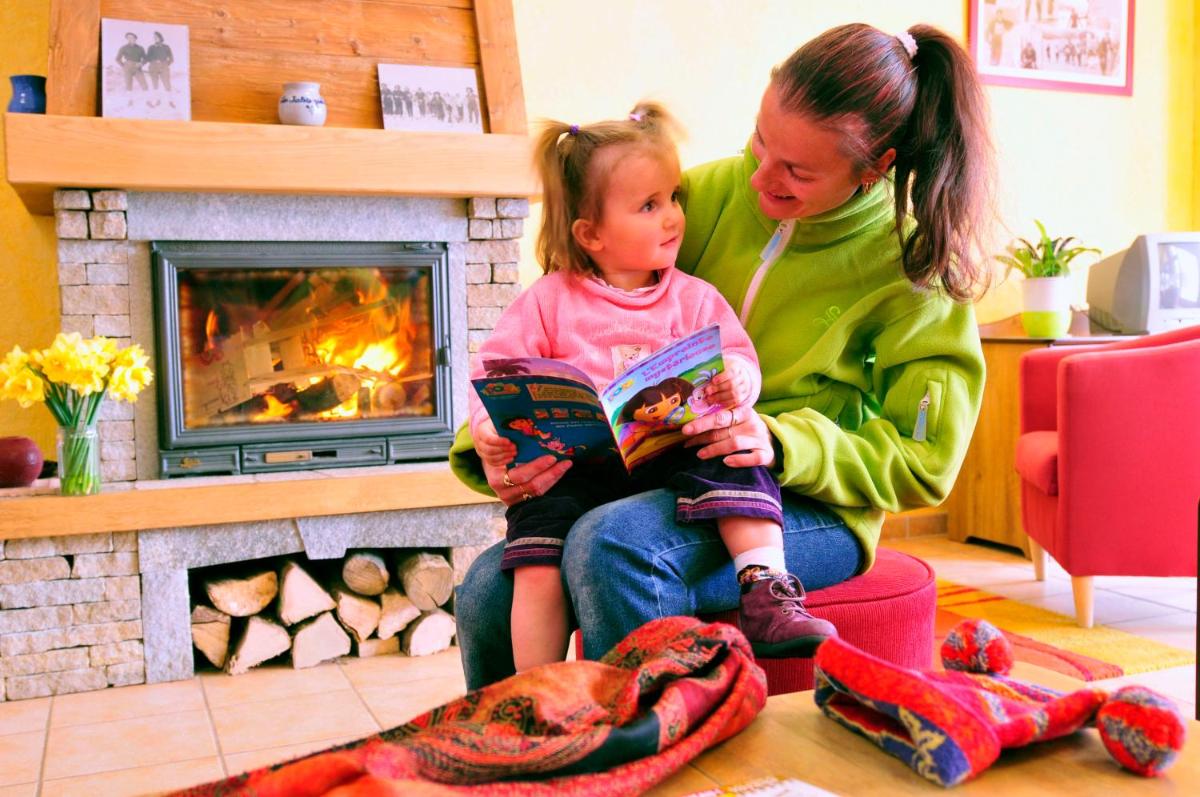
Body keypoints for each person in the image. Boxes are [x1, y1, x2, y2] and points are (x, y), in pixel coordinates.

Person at [450, 22, 991, 689]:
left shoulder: (913, 263)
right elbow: (566, 320)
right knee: (483, 586)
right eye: (761, 140)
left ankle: (652, 762)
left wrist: (782, 442)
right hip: (655, 470)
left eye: (797, 171)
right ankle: (516, 754)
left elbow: (927, 463)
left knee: (613, 546)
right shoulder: (699, 197)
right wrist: (502, 445)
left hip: (800, 499)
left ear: (875, 166)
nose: (762, 177)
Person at [469, 103, 834, 672]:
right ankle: (537, 685)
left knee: (735, 453)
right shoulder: (548, 300)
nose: (671, 218)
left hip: (670, 454)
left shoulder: (692, 296)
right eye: (648, 206)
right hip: (577, 469)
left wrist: (739, 381)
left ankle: (766, 589)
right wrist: (491, 428)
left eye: (673, 199)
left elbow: (735, 355)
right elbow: (493, 372)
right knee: (535, 557)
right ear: (591, 234)